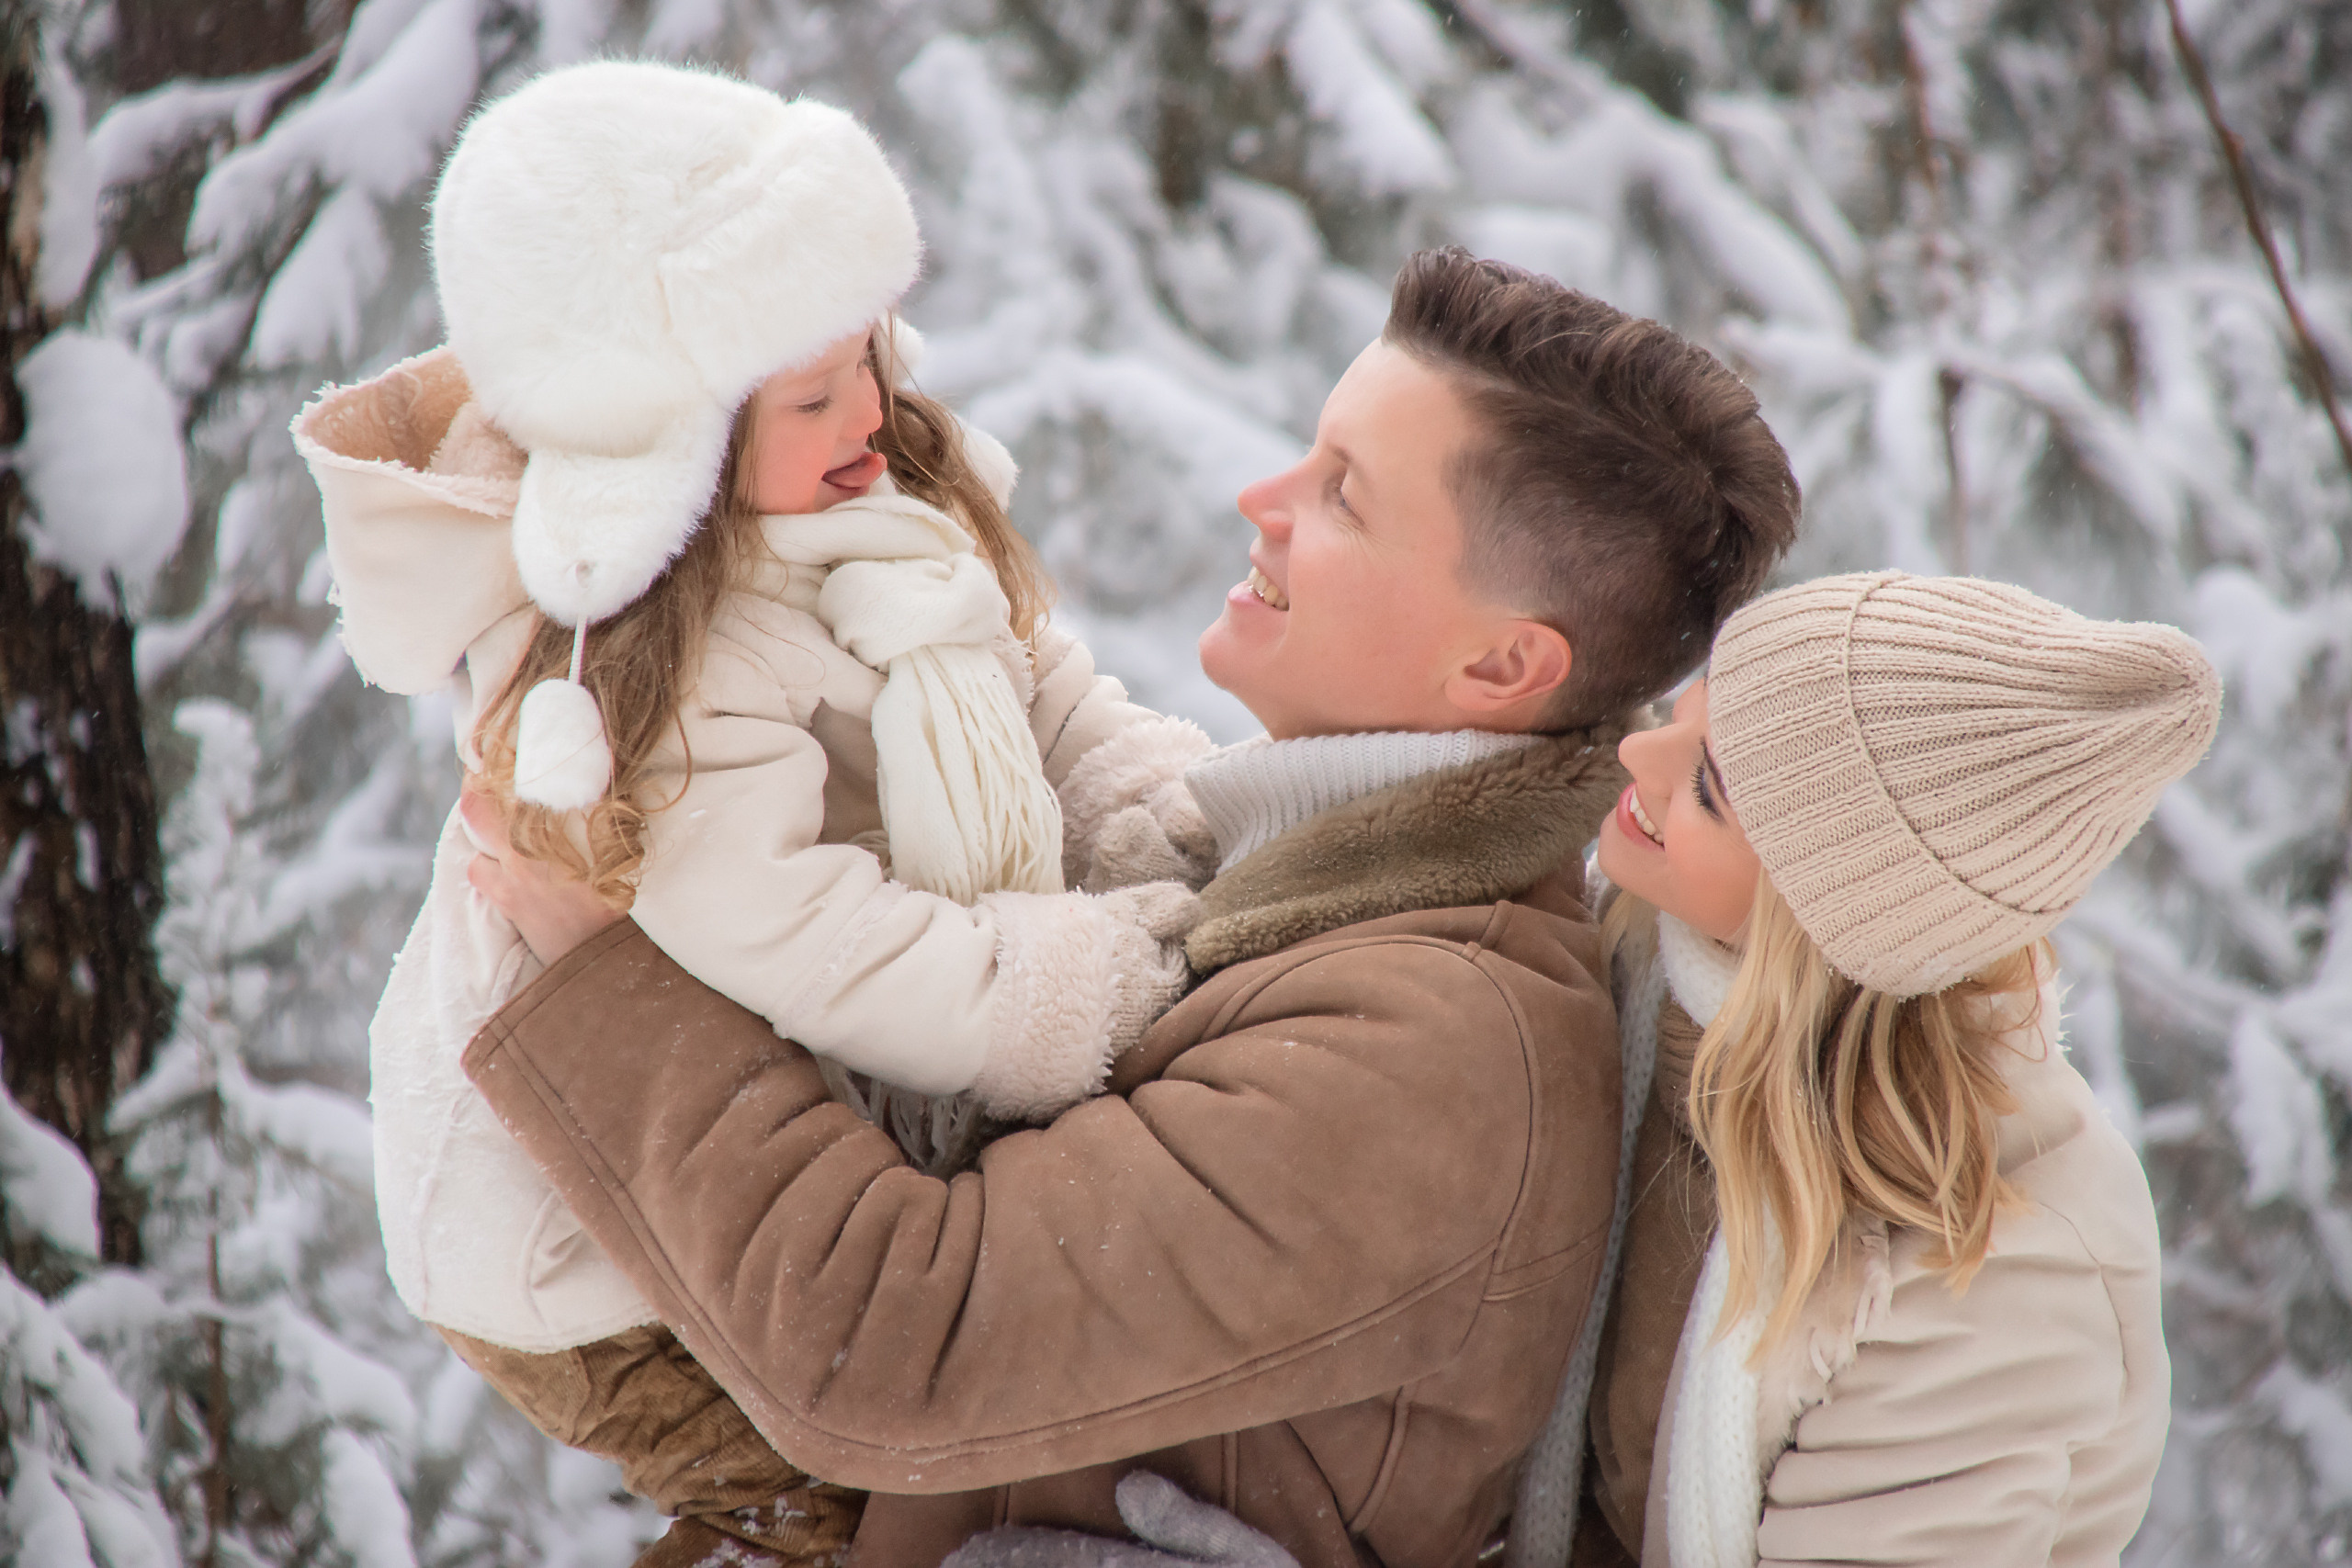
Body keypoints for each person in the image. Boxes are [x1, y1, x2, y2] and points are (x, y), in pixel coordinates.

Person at [457, 248, 1803, 1568]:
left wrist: (607, 974)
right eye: (1305, 452)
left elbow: (893, 1336)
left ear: (1505, 661)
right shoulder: (1292, 886)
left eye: (1343, 496)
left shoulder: (1435, 1047)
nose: (1261, 499)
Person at [295, 62, 1223, 1566]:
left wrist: (1167, 817)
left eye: (872, 356)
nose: (871, 406)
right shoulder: (658, 681)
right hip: (579, 1251)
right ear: (678, 445)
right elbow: (809, 943)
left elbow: (1038, 683)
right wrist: (1081, 983)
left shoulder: (848, 510)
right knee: (844, 1508)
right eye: (812, 392)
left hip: (707, 1145)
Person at [1576, 571, 2216, 1567]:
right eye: (1684, 707)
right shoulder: (1644, 955)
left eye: (1706, 787)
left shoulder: (2004, 1276)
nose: (1634, 752)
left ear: (1825, 921)